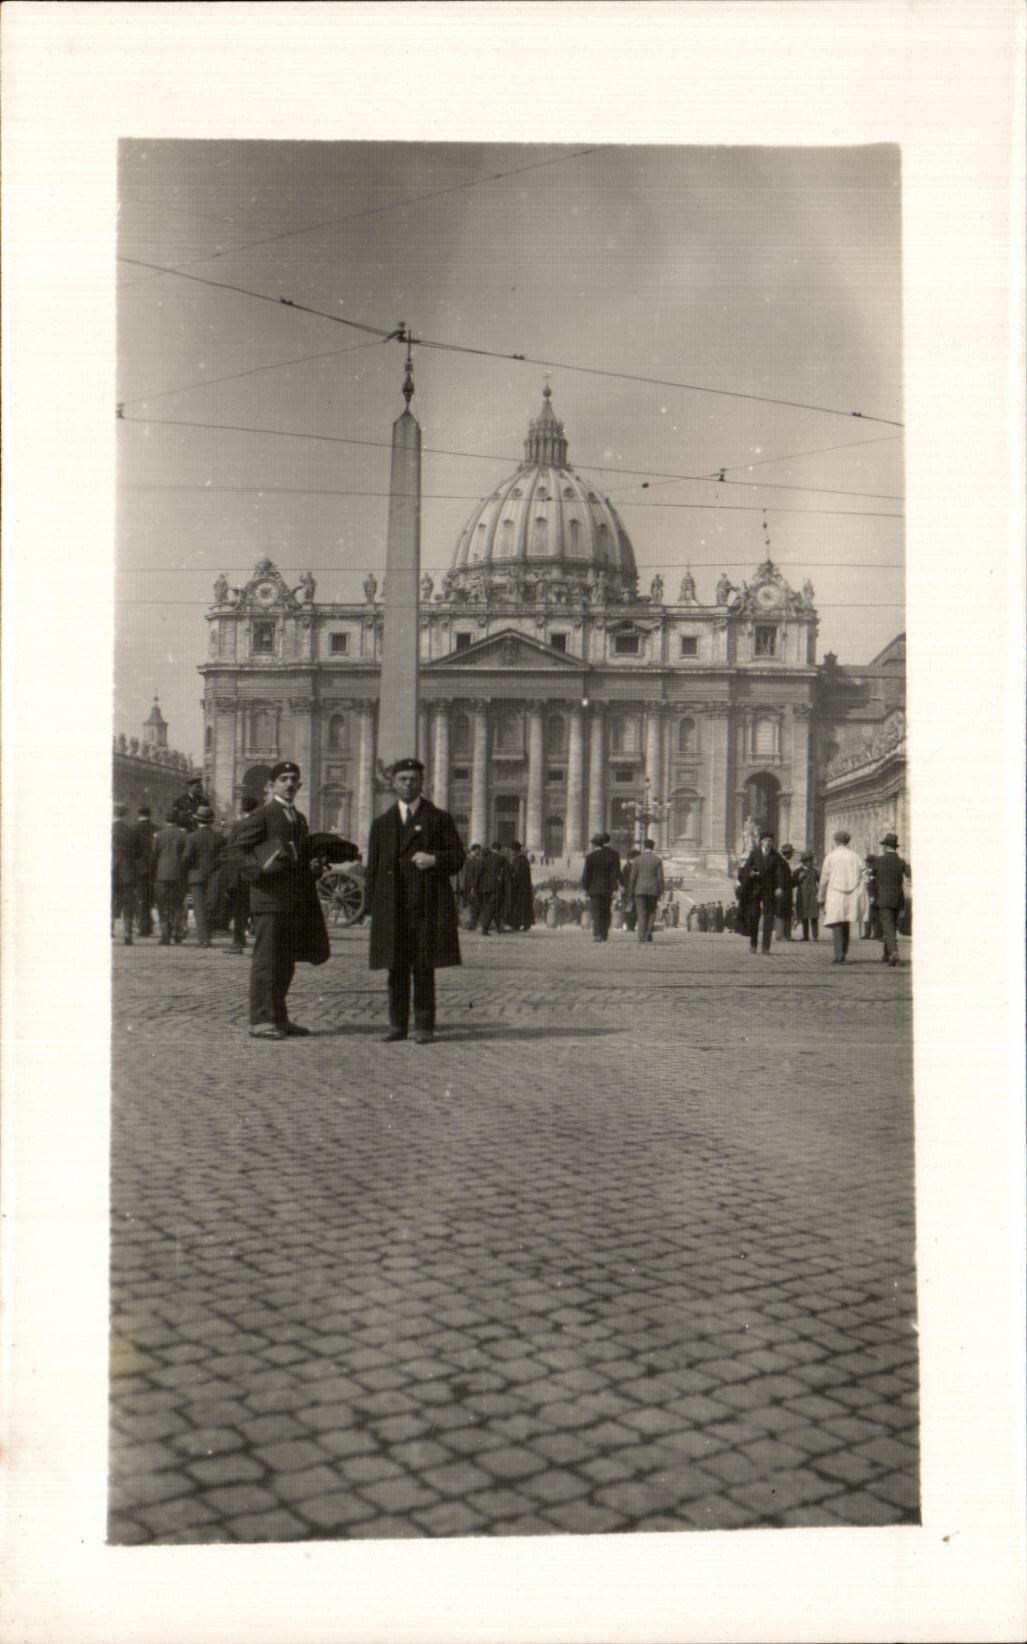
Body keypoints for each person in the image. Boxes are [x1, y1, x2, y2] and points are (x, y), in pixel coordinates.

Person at [365, 756, 465, 1044]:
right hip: (392, 905)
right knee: (395, 967)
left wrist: (435, 859)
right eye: (402, 779)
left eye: (413, 779)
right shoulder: (381, 823)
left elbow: (458, 857)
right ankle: (397, 1025)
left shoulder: (438, 818)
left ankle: (424, 1026)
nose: (408, 784)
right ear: (393, 784)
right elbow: (372, 868)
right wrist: (372, 908)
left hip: (426, 904)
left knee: (423, 967)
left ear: (422, 783)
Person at [233, 760, 330, 1039]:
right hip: (269, 901)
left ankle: (279, 1017)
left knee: (285, 962)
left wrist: (310, 866)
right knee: (266, 961)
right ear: (270, 785)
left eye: (293, 780)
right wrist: (260, 868)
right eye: (284, 779)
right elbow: (237, 852)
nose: (289, 784)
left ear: (299, 786)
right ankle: (260, 1020)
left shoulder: (298, 819)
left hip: (293, 901)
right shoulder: (262, 815)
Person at [738, 828, 791, 955]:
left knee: (768, 918)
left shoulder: (776, 856)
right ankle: (753, 944)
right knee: (754, 917)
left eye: (770, 841)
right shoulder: (754, 853)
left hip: (769, 891)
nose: (768, 843)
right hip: (755, 890)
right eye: (765, 840)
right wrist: (750, 873)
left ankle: (766, 947)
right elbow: (745, 869)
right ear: (761, 842)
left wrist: (780, 887)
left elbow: (781, 873)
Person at [818, 828, 864, 964]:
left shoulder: (831, 857)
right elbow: (864, 873)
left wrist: (820, 897)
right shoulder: (855, 857)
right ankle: (843, 952)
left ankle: (839, 955)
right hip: (852, 893)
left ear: (836, 841)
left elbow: (824, 879)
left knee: (836, 922)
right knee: (846, 921)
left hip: (835, 893)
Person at [222, 794, 260, 954]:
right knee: (258, 908)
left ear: (242, 808)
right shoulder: (260, 823)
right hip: (258, 872)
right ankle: (261, 943)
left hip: (241, 873)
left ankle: (238, 943)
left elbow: (231, 849)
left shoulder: (238, 826)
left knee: (240, 909)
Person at [182, 806, 224, 947]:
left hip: (196, 876)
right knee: (210, 906)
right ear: (211, 821)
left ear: (197, 820)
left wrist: (187, 867)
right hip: (214, 875)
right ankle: (208, 937)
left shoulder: (191, 837)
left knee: (199, 908)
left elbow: (187, 857)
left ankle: (203, 939)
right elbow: (223, 857)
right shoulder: (219, 837)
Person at [870, 832, 911, 968]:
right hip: (898, 898)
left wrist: (871, 894)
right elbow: (909, 874)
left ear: (885, 847)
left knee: (887, 925)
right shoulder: (901, 861)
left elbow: (871, 880)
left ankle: (894, 952)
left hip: (882, 897)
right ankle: (886, 954)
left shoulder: (878, 861)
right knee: (892, 925)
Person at [152, 808, 187, 945]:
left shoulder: (159, 835)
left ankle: (165, 935)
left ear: (165, 820)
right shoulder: (183, 835)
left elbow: (154, 856)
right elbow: (186, 855)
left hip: (162, 875)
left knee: (163, 905)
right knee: (178, 905)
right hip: (179, 875)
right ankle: (178, 933)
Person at [582, 832, 620, 942]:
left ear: (594, 845)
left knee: (596, 912)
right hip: (607, 889)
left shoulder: (590, 857)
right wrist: (614, 888)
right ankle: (604, 934)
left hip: (594, 889)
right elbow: (614, 874)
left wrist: (585, 888)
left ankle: (597, 934)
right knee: (606, 911)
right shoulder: (611, 856)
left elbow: (586, 875)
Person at [626, 838, 665, 943]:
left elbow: (633, 878)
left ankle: (641, 935)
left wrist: (630, 892)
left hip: (639, 890)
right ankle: (648, 932)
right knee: (652, 912)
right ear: (653, 847)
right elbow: (660, 878)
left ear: (644, 847)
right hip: (653, 890)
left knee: (641, 912)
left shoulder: (637, 860)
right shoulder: (657, 860)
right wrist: (662, 891)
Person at [111, 801, 139, 945]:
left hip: (111, 869)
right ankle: (127, 934)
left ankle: (109, 930)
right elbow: (137, 853)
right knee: (128, 902)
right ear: (125, 814)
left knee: (110, 900)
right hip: (128, 869)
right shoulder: (131, 830)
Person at [132, 804, 157, 936]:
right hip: (155, 868)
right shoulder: (156, 829)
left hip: (139, 868)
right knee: (150, 897)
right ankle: (148, 922)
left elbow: (133, 852)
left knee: (141, 897)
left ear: (138, 814)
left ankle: (144, 927)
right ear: (150, 814)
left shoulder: (133, 829)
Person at [477, 841, 509, 936]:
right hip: (495, 887)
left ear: (492, 848)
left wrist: (475, 886)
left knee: (490, 906)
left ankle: (499, 928)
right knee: (492, 907)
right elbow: (509, 869)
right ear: (499, 849)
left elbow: (479, 873)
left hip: (484, 887)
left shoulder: (485, 858)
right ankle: (485, 929)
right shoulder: (501, 858)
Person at [506, 841, 534, 931]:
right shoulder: (520, 860)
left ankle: (522, 924)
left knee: (521, 906)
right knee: (519, 906)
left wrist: (511, 876)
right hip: (519, 887)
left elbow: (518, 874)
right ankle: (518, 924)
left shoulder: (521, 860)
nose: (511, 852)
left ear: (516, 851)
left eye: (512, 850)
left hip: (521, 888)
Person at [793, 850, 820, 941]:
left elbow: (820, 881)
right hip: (802, 895)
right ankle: (805, 936)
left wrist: (819, 891)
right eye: (807, 861)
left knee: (814, 916)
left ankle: (815, 936)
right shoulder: (797, 871)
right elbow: (793, 883)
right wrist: (799, 878)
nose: (809, 862)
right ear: (803, 862)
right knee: (804, 915)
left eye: (810, 860)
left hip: (813, 895)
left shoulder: (815, 871)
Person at [776, 844, 796, 939]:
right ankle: (783, 935)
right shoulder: (781, 863)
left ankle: (783, 935)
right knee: (783, 913)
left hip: (785, 892)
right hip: (784, 893)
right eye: (791, 853)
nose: (792, 855)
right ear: (787, 853)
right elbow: (783, 879)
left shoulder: (782, 862)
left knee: (784, 913)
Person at [618, 849, 640, 932]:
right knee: (635, 909)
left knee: (628, 909)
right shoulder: (637, 867)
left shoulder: (626, 867)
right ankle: (632, 925)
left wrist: (622, 887)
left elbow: (622, 879)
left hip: (627, 892)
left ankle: (629, 926)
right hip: (636, 891)